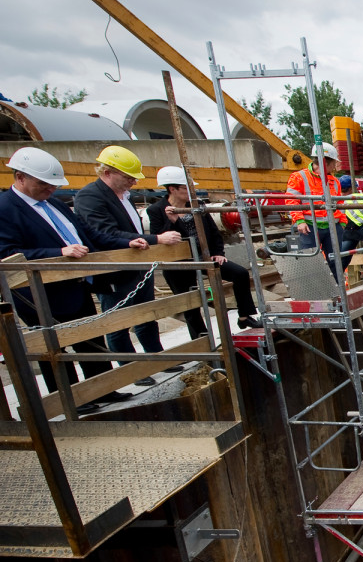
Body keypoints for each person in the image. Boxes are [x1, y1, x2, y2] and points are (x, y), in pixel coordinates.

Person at [0, 147, 150, 411]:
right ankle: (68, 399)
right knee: (53, 348)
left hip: (77, 285)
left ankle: (102, 389)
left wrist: (126, 241)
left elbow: (89, 236)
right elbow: (7, 253)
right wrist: (57, 252)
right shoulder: (5, 210)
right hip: (38, 294)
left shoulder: (55, 205)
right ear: (20, 177)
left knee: (89, 337)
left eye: (53, 184)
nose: (50, 189)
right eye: (43, 183)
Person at [74, 145, 183, 386]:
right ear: (108, 172)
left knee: (146, 314)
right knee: (119, 321)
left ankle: (157, 358)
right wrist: (155, 239)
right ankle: (131, 369)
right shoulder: (90, 196)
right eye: (128, 177)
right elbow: (103, 233)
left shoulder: (123, 196)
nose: (133, 182)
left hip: (137, 266)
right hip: (115, 269)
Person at [147, 167, 261, 335]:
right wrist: (174, 221)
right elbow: (162, 239)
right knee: (189, 300)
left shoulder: (197, 205)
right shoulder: (156, 210)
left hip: (204, 255)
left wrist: (218, 253)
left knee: (240, 273)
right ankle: (201, 336)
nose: (191, 192)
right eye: (187, 188)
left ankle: (245, 316)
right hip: (180, 262)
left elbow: (214, 232)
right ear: (172, 189)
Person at [284, 143, 348, 276]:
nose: (335, 166)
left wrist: (342, 223)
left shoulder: (334, 181)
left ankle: (337, 292)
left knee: (335, 261)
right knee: (312, 263)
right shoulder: (299, 177)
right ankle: (319, 295)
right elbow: (291, 200)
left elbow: (340, 204)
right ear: (325, 162)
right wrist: (299, 220)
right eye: (334, 163)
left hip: (332, 227)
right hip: (309, 227)